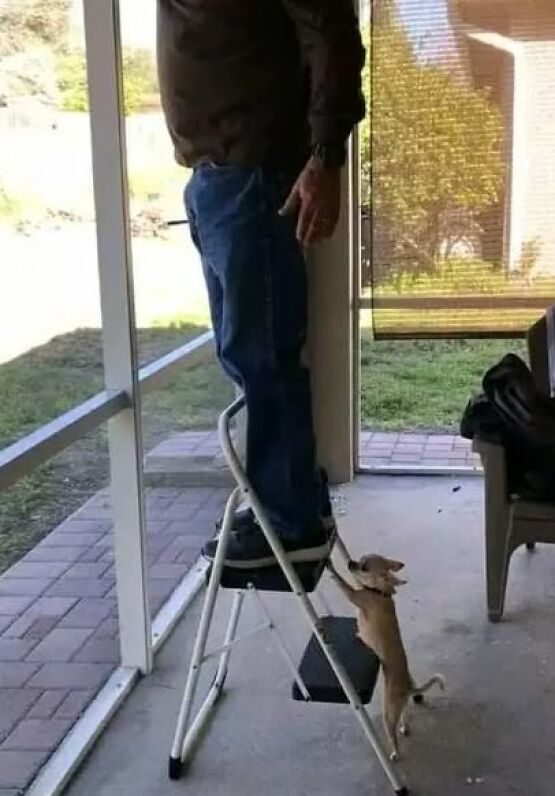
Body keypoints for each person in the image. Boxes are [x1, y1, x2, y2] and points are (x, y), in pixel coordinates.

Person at [156, 2, 365, 569]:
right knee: (249, 355)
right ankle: (295, 501)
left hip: (251, 175)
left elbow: (333, 32)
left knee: (262, 355)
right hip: (218, 179)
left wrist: (326, 156)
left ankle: (290, 522)